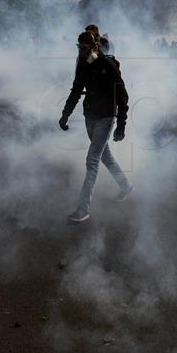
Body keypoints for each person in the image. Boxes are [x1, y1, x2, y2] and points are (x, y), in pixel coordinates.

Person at [59, 31, 132, 223]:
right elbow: (76, 90)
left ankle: (82, 209)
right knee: (105, 156)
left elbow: (123, 97)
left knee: (92, 160)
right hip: (90, 116)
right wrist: (65, 114)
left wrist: (121, 126)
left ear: (95, 47)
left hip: (106, 118)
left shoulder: (108, 66)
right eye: (79, 48)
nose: (81, 52)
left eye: (84, 48)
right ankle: (125, 186)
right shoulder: (83, 65)